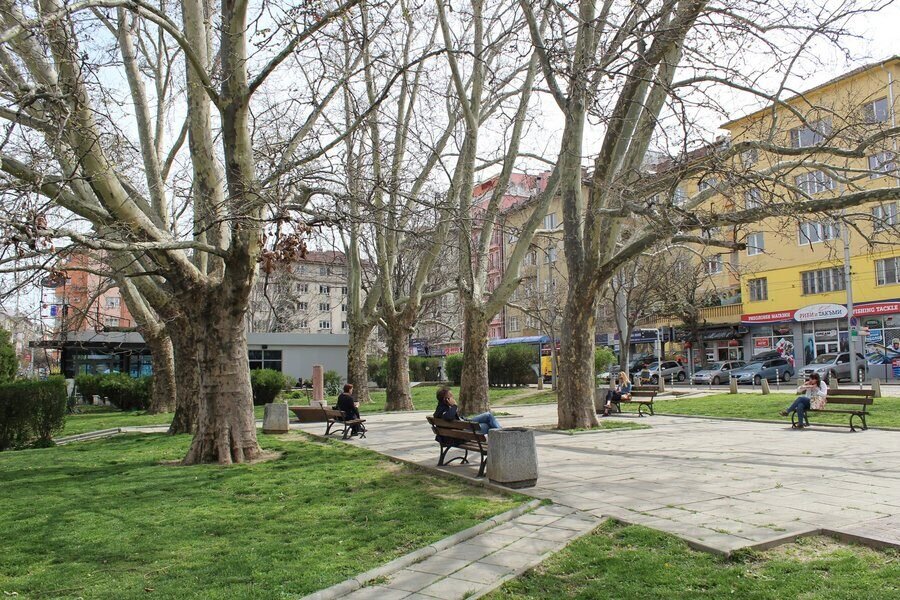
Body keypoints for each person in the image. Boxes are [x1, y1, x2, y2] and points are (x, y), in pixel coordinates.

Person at [433, 388, 501, 434]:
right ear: (446, 399)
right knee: (488, 426)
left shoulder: (441, 407)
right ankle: (504, 436)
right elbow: (448, 417)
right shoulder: (442, 409)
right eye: (451, 396)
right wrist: (454, 406)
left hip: (463, 424)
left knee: (488, 415)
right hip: (462, 431)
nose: (453, 397)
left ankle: (503, 434)